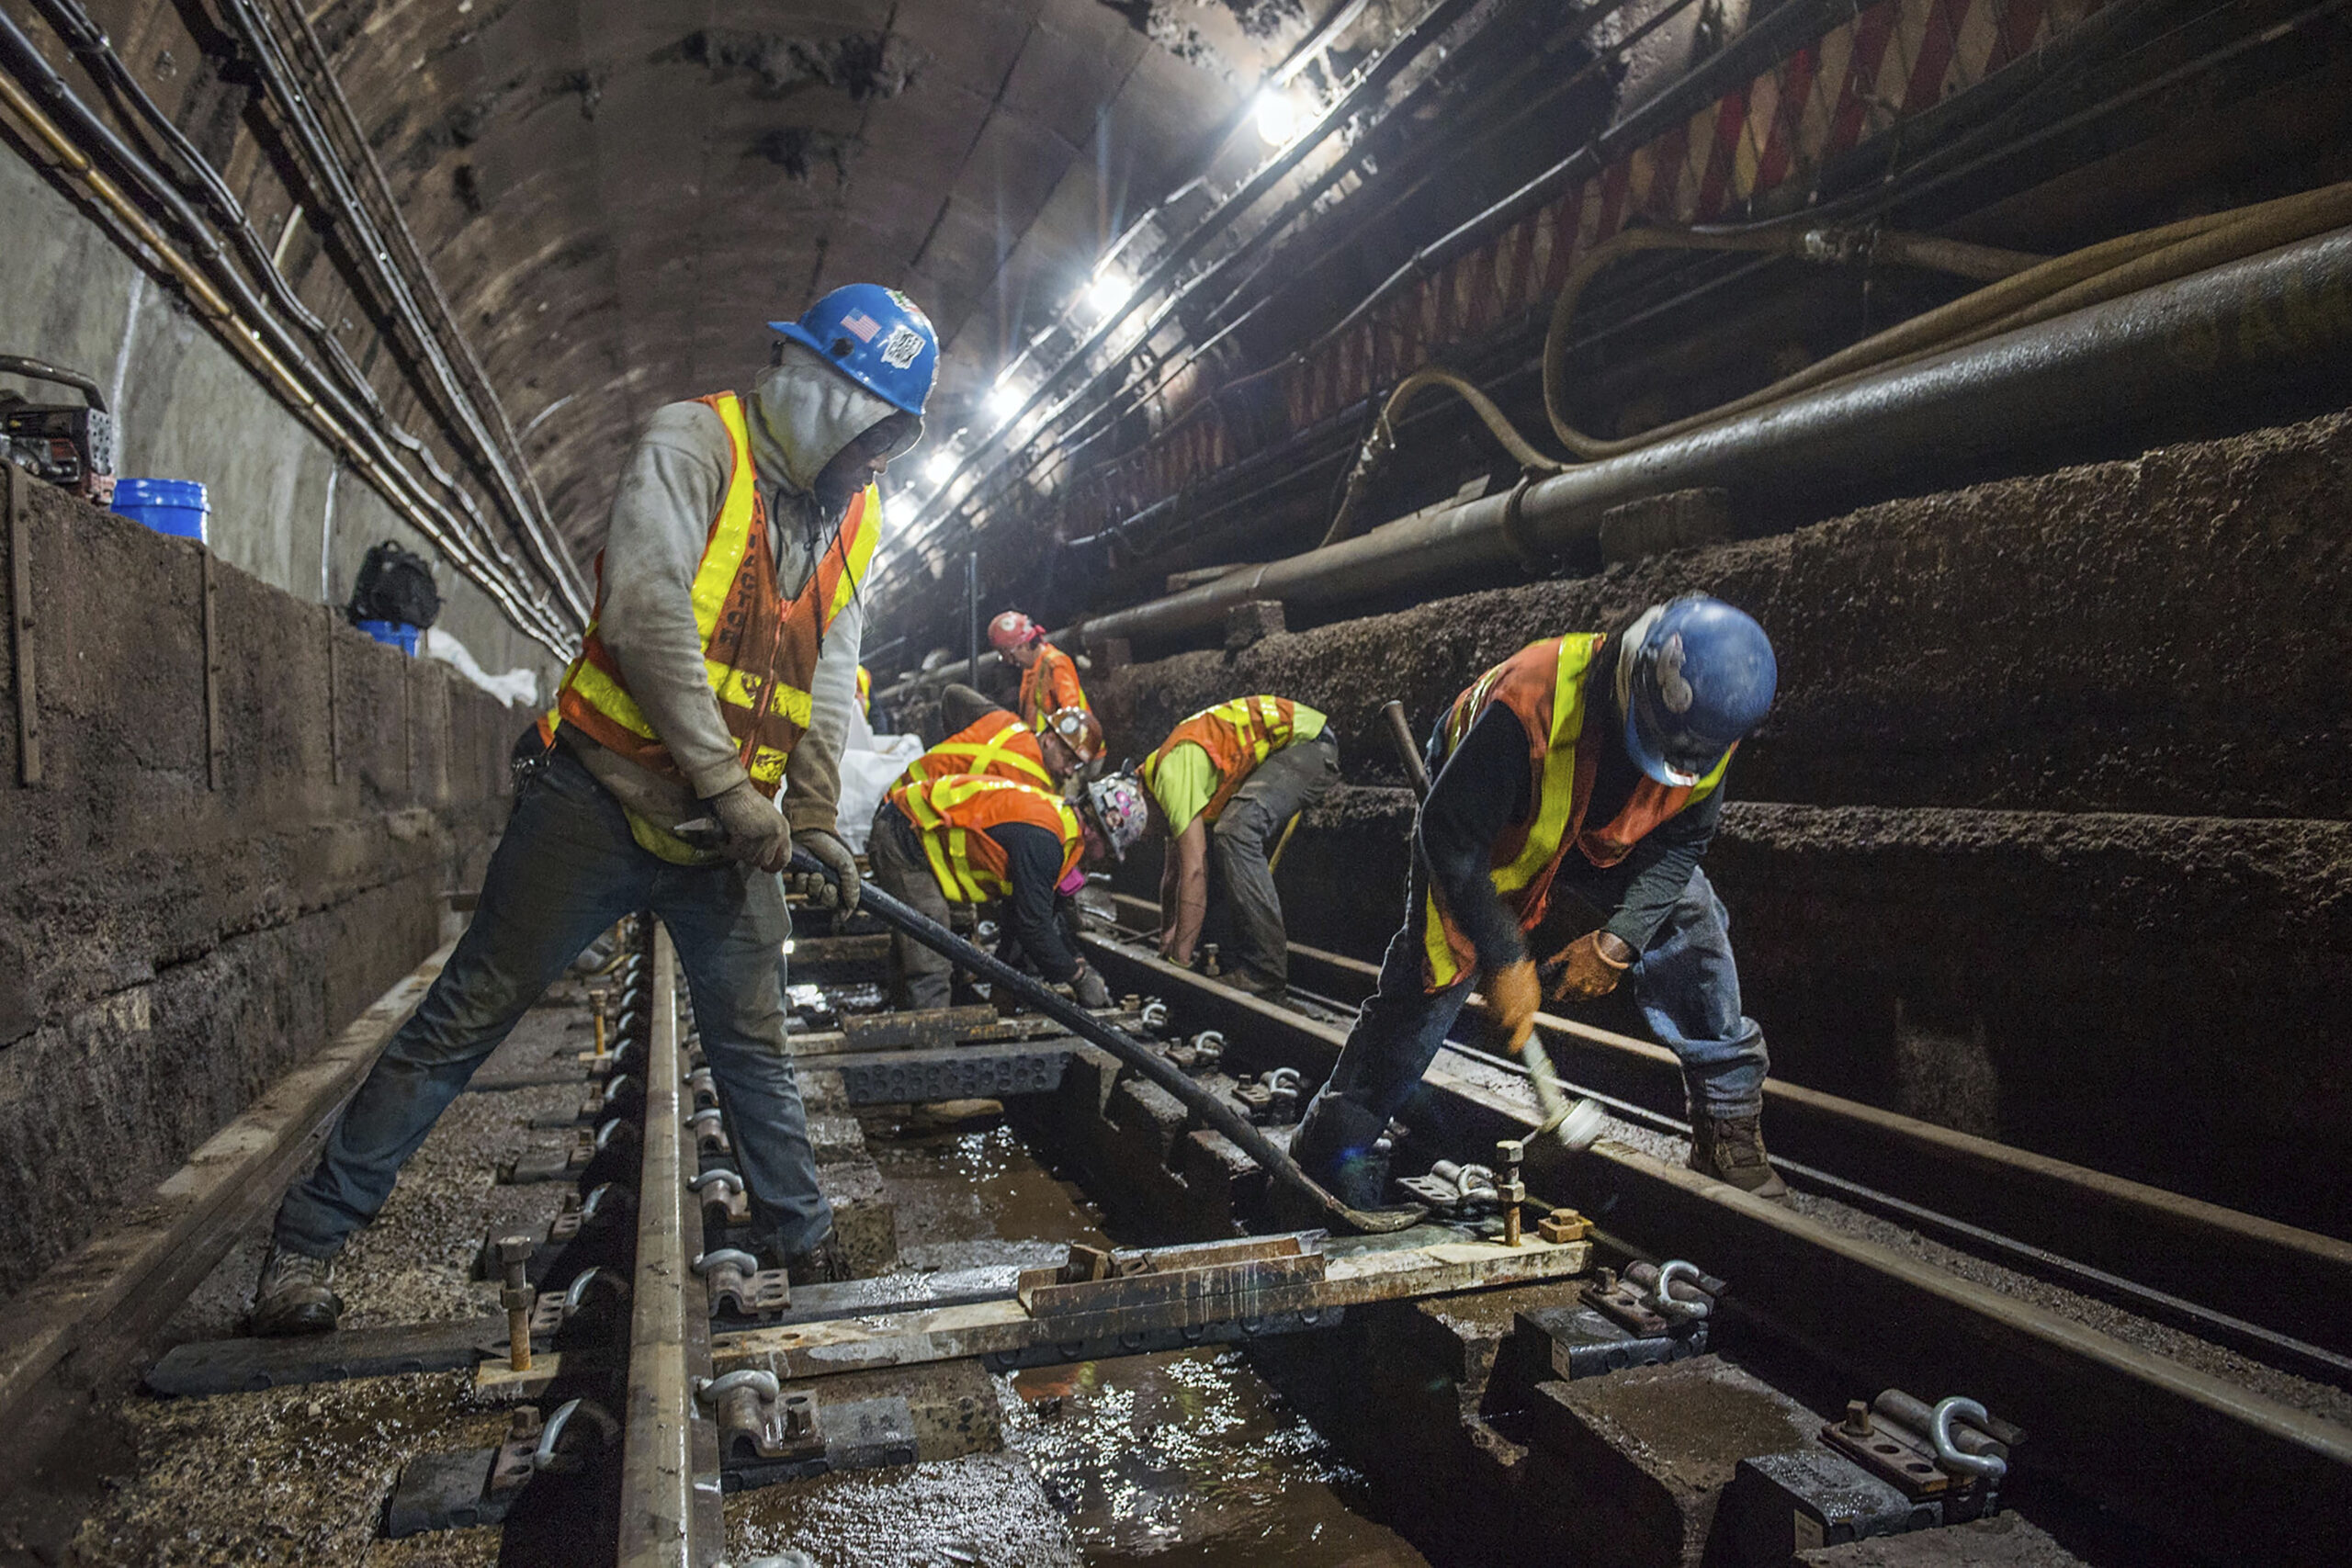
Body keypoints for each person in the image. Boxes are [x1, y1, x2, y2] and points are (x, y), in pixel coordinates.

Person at [250, 285, 940, 1335]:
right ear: (823, 397)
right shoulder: (694, 444)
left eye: (892, 441)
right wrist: (726, 786)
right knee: (466, 1014)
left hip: (725, 837)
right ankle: (304, 1247)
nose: (879, 460)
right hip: (598, 800)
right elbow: (647, 611)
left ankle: (808, 1254)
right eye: (874, 432)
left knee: (754, 1046)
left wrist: (810, 818)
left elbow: (830, 673)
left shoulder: (856, 513)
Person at [1291, 596, 1785, 1208]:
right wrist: (1503, 954)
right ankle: (1323, 1157)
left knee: (1691, 913)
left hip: (1597, 833)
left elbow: (1683, 842)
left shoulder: (1706, 726)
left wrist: (1617, 942)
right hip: (1485, 818)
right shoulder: (1527, 705)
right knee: (1427, 991)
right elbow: (1447, 834)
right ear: (1632, 678)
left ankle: (1727, 1122)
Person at [865, 773, 1148, 1012]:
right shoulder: (1044, 840)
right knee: (932, 955)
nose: (1106, 858)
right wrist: (1079, 977)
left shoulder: (1060, 828)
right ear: (1098, 830)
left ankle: (903, 1012)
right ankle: (932, 1059)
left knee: (923, 943)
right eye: (1110, 851)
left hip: (917, 831)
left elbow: (1032, 914)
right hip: (904, 836)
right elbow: (1033, 927)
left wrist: (1073, 959)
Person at [1138, 695, 1339, 998]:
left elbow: (1193, 873)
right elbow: (1173, 873)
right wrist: (1168, 936)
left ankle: (1264, 971)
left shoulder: (1171, 775)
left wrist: (1177, 965)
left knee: (1235, 831)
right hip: (1293, 745)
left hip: (1309, 744)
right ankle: (1228, 952)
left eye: (1138, 830)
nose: (1143, 837)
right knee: (1222, 837)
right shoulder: (1159, 773)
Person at [896, 685, 1103, 795]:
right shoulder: (1034, 791)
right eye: (1068, 760)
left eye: (1075, 766)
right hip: (910, 819)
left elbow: (953, 693)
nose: (1069, 772)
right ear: (1049, 739)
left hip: (902, 790)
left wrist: (957, 744)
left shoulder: (1005, 721)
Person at [988, 610, 1091, 733]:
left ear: (1023, 645)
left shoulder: (1055, 664)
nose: (1010, 662)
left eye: (1010, 655)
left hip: (1074, 748)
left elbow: (1071, 719)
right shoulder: (1030, 670)